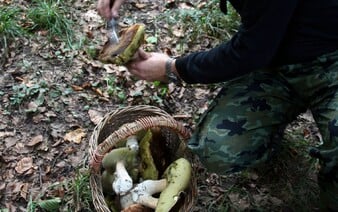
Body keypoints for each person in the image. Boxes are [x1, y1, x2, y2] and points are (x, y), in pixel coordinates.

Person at [97, 0, 338, 210]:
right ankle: (269, 138)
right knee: (218, 149)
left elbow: (250, 51)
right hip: (273, 64)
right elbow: (257, 47)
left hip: (331, 60)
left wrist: (173, 69)